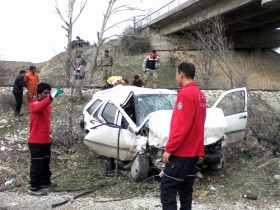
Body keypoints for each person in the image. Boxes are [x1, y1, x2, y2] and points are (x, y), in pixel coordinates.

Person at [160, 62, 206, 210]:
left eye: (176, 73)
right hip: (193, 152)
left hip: (182, 152)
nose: (176, 76)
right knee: (186, 190)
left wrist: (169, 149)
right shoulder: (200, 95)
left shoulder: (186, 94)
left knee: (167, 188)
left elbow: (181, 127)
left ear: (181, 74)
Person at [27, 83, 64, 196]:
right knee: (37, 164)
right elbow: (39, 107)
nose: (47, 95)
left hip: (45, 139)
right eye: (45, 93)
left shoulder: (47, 105)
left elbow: (45, 118)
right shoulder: (34, 104)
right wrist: (52, 96)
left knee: (45, 163)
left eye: (48, 92)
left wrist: (49, 133)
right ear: (38, 94)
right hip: (35, 141)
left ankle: (45, 182)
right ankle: (34, 187)